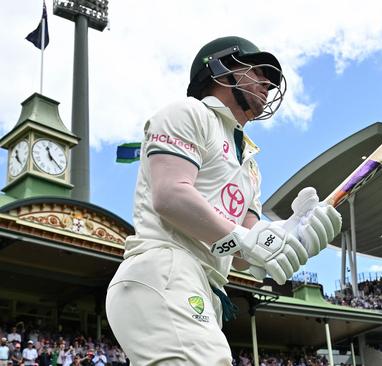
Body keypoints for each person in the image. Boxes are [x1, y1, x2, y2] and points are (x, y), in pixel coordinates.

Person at [106, 36, 342, 365]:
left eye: (270, 80)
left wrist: (289, 232)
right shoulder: (188, 113)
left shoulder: (250, 165)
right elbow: (171, 195)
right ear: (220, 71)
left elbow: (245, 254)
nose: (267, 84)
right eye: (258, 71)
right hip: (166, 269)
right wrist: (247, 240)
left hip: (205, 288)